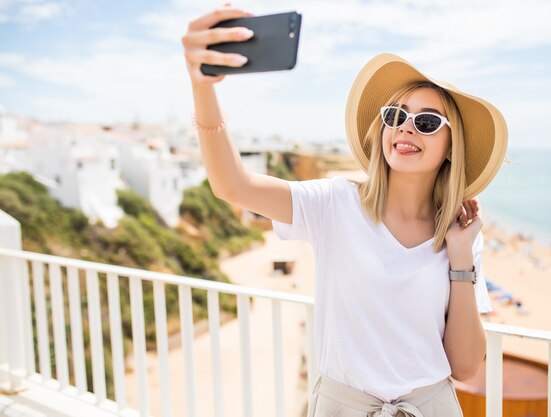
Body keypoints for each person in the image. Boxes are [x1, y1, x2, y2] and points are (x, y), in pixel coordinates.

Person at [182, 4, 508, 417]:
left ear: (450, 148)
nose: (406, 127)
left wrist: (462, 257)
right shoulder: (335, 203)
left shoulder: (460, 235)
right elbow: (232, 185)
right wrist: (203, 88)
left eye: (427, 122)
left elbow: (464, 366)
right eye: (395, 115)